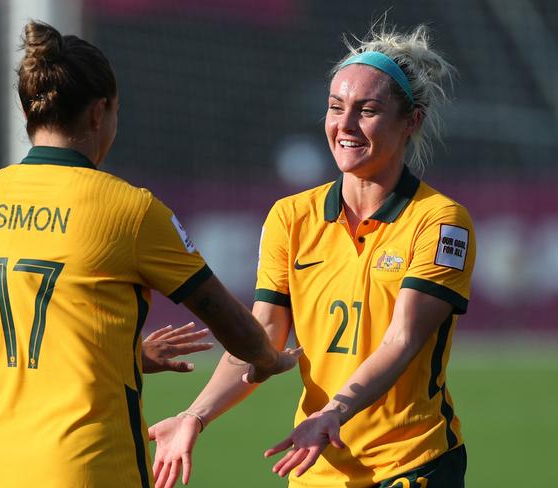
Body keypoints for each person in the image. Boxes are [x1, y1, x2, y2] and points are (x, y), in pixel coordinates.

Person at [0, 20, 301, 488]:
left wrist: (127, 354)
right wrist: (268, 359)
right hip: (90, 465)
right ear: (100, 112)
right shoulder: (130, 209)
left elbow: (25, 336)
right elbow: (229, 320)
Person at [150, 21, 476, 488]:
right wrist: (195, 416)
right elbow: (262, 337)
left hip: (412, 464)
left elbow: (401, 340)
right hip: (316, 467)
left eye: (367, 111)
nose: (344, 125)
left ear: (412, 122)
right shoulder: (290, 216)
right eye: (335, 107)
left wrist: (334, 411)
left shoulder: (441, 221)